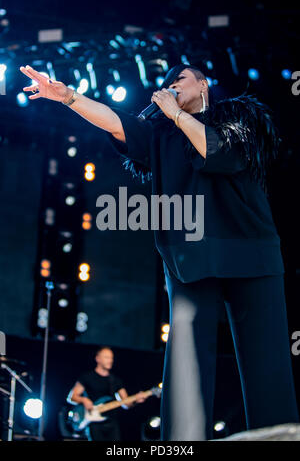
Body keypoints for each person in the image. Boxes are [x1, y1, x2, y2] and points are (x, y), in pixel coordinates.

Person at [20, 63, 299, 440]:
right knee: (185, 364)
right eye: (167, 83)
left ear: (203, 84)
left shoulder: (239, 115)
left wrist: (177, 114)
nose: (170, 86)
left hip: (251, 251)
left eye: (179, 79)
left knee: (267, 364)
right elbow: (116, 122)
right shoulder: (161, 133)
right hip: (187, 256)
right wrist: (67, 96)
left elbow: (219, 153)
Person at [68, 346, 145, 441]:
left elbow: (126, 403)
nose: (110, 360)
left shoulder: (115, 381)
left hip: (112, 423)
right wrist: (84, 400)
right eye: (107, 357)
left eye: (111, 358)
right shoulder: (87, 377)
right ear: (98, 359)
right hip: (94, 422)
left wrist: (136, 400)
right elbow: (72, 397)